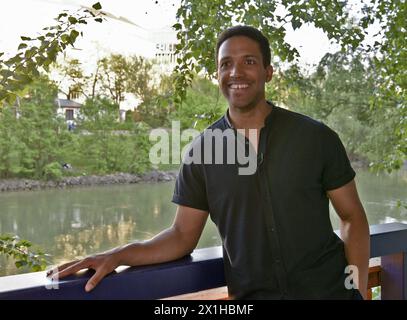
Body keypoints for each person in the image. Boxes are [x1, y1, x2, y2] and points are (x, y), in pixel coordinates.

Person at [47, 25, 370, 300]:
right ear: (217, 74)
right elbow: (181, 236)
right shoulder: (202, 151)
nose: (236, 72)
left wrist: (358, 289)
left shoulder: (315, 138)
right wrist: (117, 254)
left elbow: (352, 217)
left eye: (249, 62)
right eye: (226, 64)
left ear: (268, 72)